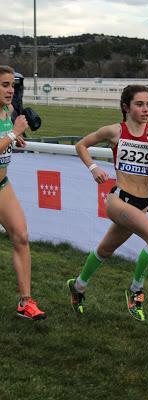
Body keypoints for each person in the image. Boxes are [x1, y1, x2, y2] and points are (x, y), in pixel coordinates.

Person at [67, 84, 148, 321]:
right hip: (118, 200)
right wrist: (93, 168)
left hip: (141, 204)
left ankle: (78, 286)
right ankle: (135, 292)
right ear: (126, 107)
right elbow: (80, 145)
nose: (146, 109)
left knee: (105, 250)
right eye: (139, 104)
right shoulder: (115, 131)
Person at [0, 65, 46, 320]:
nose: (10, 90)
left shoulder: (8, 110)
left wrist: (14, 138)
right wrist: (12, 133)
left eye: (11, 85)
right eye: (4, 85)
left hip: (2, 186)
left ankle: (25, 302)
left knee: (21, 237)